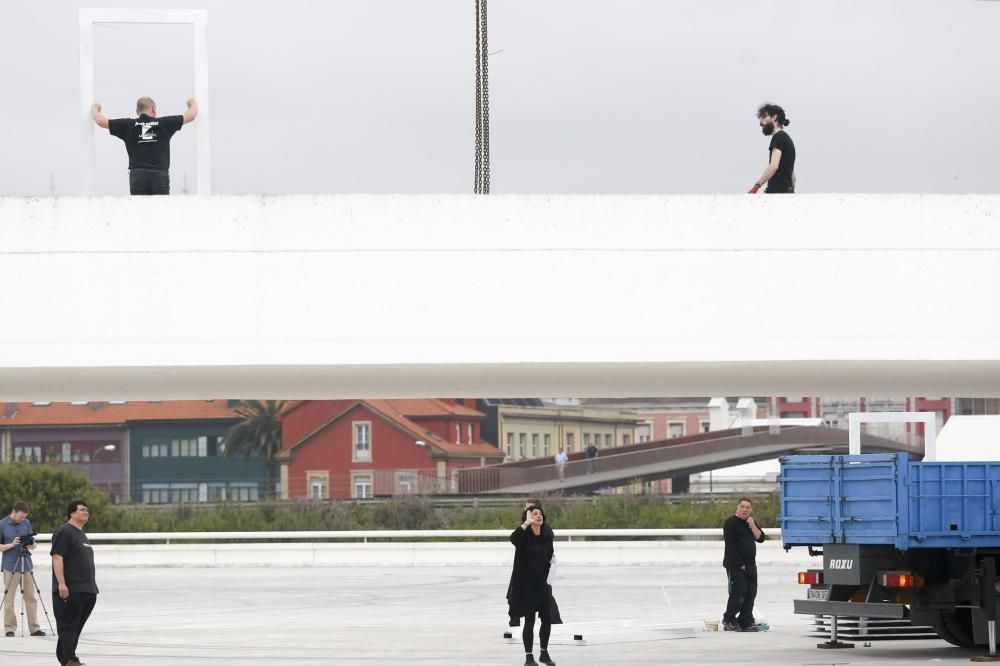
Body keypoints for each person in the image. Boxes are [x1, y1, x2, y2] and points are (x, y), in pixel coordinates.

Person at [91, 96, 198, 195]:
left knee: (139, 212)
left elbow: (100, 121)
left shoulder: (128, 125)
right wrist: (191, 102)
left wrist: (95, 107)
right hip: (160, 176)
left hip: (138, 176)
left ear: (137, 112)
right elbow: (192, 115)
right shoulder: (165, 123)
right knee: (161, 210)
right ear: (153, 109)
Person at [51, 500, 99, 666]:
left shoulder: (81, 534)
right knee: (68, 626)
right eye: (82, 509)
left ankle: (66, 658)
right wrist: (61, 584)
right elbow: (57, 557)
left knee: (75, 628)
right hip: (71, 589)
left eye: (87, 510)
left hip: (88, 590)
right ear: (72, 513)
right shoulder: (65, 531)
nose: (86, 512)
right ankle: (70, 659)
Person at [508, 504, 557, 666]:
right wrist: (526, 523)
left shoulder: (546, 534)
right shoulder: (524, 537)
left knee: (547, 620)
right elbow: (513, 538)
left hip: (544, 584)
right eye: (534, 514)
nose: (539, 515)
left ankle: (544, 653)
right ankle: (529, 657)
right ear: (528, 518)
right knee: (530, 621)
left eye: (540, 513)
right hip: (528, 586)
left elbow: (550, 556)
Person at [721, 497, 766, 632]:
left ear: (750, 510)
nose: (745, 509)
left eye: (747, 507)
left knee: (751, 593)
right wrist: (740, 564)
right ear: (737, 507)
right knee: (738, 593)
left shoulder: (750, 523)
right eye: (742, 506)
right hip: (736, 565)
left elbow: (761, 538)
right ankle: (728, 619)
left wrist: (752, 525)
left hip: (751, 565)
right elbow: (730, 546)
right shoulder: (730, 523)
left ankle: (745, 620)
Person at [1, 501, 45, 637]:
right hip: (10, 565)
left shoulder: (26, 523)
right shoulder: (2, 524)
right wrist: (12, 544)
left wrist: (32, 545)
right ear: (14, 511)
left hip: (26, 563)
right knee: (10, 598)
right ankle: (10, 628)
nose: (22, 520)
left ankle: (34, 628)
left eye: (24, 517)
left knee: (31, 597)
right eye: (20, 517)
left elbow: (31, 542)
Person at [748, 103, 796, 194]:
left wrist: (757, 186)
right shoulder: (787, 139)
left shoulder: (778, 137)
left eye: (764, 117)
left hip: (777, 193)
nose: (761, 122)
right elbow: (793, 177)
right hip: (787, 192)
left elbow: (773, 166)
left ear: (774, 117)